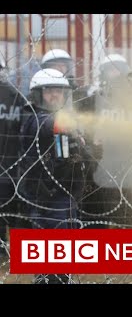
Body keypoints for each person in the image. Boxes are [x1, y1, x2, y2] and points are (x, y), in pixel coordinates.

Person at [17, 68, 91, 283]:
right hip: (47, 199)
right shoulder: (32, 117)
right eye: (49, 91)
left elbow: (71, 153)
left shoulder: (62, 120)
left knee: (61, 264)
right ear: (38, 94)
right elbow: (45, 125)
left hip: (66, 195)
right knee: (52, 266)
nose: (55, 95)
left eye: (59, 90)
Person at [0, 59, 25, 258]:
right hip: (10, 168)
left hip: (10, 168)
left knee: (12, 212)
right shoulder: (15, 95)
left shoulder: (15, 96)